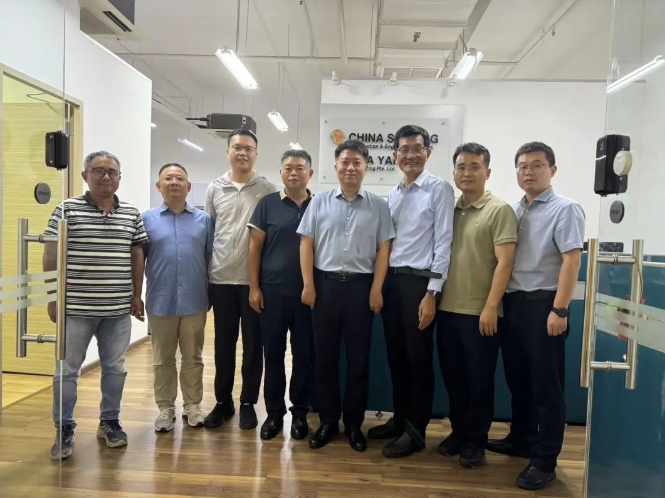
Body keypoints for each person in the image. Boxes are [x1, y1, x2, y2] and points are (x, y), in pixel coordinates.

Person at [486, 142, 584, 490]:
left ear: (552, 170)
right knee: (518, 379)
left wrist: (560, 309)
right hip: (513, 304)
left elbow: (572, 261)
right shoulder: (513, 210)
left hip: (545, 306)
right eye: (523, 166)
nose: (529, 171)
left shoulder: (565, 209)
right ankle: (521, 438)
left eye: (537, 165)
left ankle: (544, 460)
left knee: (546, 387)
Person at [45, 151, 148, 460]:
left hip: (117, 311)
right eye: (99, 171)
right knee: (66, 372)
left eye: (112, 172)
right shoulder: (67, 209)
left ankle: (109, 422)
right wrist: (53, 298)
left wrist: (136, 295)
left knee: (115, 369)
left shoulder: (131, 213)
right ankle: (64, 429)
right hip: (75, 310)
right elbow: (51, 255)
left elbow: (137, 256)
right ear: (85, 175)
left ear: (119, 178)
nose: (106, 177)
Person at [297, 139, 395, 452]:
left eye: (357, 162)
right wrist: (309, 284)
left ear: (366, 168)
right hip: (324, 287)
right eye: (345, 162)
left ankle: (353, 424)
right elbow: (306, 244)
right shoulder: (319, 202)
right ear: (336, 167)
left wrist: (376, 288)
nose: (350, 168)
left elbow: (384, 250)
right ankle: (328, 421)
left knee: (358, 360)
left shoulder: (379, 205)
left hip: (360, 290)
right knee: (324, 358)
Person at [368, 125, 454, 458]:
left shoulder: (438, 189)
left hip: (420, 285)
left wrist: (432, 293)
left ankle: (416, 432)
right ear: (395, 156)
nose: (411, 155)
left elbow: (444, 242)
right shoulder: (393, 195)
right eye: (404, 149)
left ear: (428, 152)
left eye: (417, 148)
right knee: (397, 357)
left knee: (418, 360)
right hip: (392, 284)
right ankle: (401, 420)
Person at [437, 143, 517, 468]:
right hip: (447, 310)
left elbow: (505, 262)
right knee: (454, 378)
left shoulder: (499, 210)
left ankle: (475, 440)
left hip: (481, 313)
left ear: (488, 172)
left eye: (474, 167)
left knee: (479, 380)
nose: (467, 173)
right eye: (461, 167)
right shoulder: (450, 210)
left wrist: (491, 306)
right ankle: (459, 432)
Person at [204, 129, 276, 430]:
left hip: (253, 283)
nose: (242, 153)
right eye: (237, 147)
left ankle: (248, 401)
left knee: (253, 346)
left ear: (256, 154)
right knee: (223, 346)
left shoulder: (267, 189)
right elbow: (209, 235)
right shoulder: (214, 188)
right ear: (228, 152)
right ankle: (223, 402)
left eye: (248, 148)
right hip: (221, 280)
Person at [247, 149, 315, 441]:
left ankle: (300, 412)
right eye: (288, 168)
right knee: (272, 354)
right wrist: (254, 287)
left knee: (304, 355)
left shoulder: (319, 205)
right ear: (281, 173)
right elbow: (254, 248)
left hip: (307, 296)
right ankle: (274, 413)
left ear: (310, 173)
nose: (294, 173)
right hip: (272, 293)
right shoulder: (268, 204)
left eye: (300, 168)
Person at [142, 163, 214, 432]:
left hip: (195, 300)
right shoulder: (146, 219)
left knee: (193, 357)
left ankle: (193, 405)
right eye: (168, 178)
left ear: (188, 186)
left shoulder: (204, 220)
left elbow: (209, 258)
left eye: (180, 178)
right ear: (158, 186)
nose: (174, 182)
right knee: (163, 358)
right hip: (160, 300)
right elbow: (138, 259)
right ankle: (165, 408)